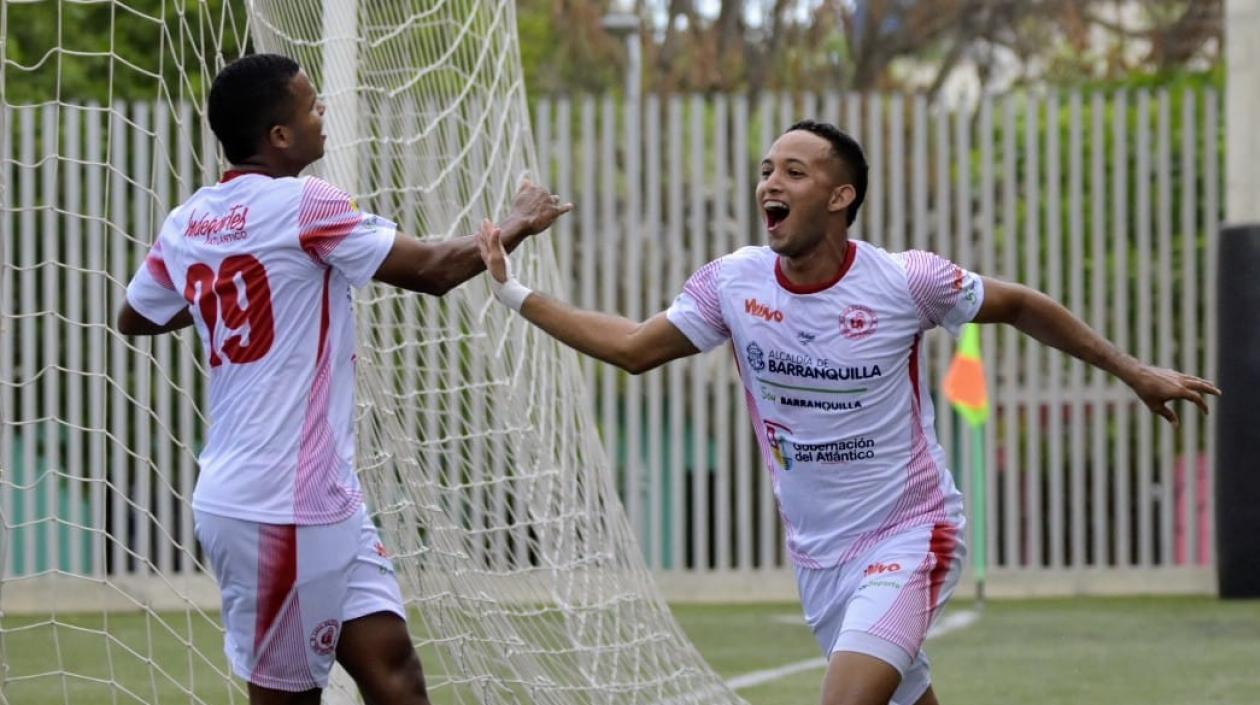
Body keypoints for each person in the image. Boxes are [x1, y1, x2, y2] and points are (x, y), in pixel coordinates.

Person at [475, 119, 1220, 705]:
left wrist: (1135, 371)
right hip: (820, 558)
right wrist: (513, 292)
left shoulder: (905, 280)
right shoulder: (734, 282)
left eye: (794, 171)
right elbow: (636, 347)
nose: (772, 181)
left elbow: (1021, 303)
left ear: (841, 197)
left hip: (913, 532)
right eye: (767, 170)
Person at [115, 53, 572, 705]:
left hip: (319, 498)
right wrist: (519, 222)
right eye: (311, 106)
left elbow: (136, 315)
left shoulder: (189, 220)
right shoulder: (306, 204)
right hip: (277, 506)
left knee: (397, 674)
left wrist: (227, 289)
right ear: (279, 135)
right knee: (288, 696)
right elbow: (433, 270)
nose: (322, 113)